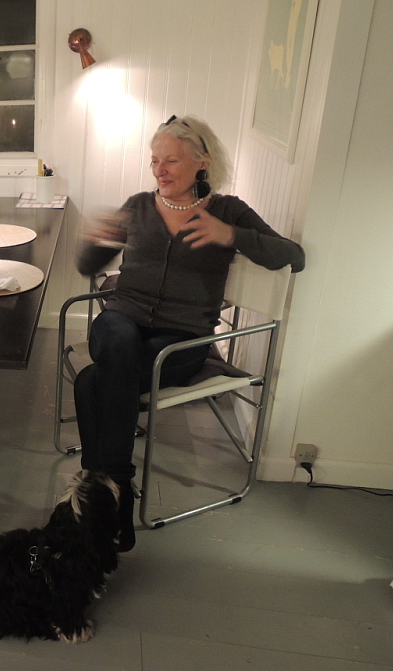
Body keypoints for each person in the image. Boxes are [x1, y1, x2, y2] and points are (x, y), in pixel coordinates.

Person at [73, 115, 305, 551]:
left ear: (202, 163)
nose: (159, 170)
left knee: (91, 380)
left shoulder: (228, 211)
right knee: (118, 340)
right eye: (154, 160)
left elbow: (294, 256)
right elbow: (88, 266)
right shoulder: (138, 206)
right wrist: (95, 242)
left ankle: (100, 489)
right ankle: (118, 489)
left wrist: (231, 235)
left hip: (182, 338)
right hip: (122, 318)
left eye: (171, 161)